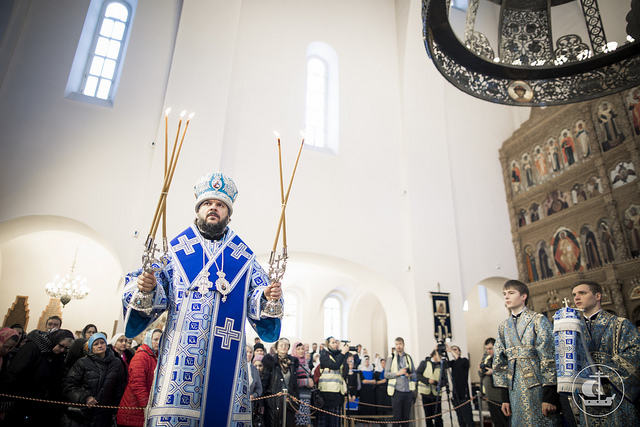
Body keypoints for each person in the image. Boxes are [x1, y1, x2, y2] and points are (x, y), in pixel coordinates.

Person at [121, 171, 282, 426]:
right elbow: (146, 291)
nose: (213, 208)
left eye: (220, 205)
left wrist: (265, 295)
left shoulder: (244, 257)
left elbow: (259, 300)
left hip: (227, 362)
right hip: (180, 364)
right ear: (198, 209)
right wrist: (147, 287)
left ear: (229, 213)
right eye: (208, 203)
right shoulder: (175, 251)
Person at [492, 279, 561, 426]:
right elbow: (499, 362)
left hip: (538, 386)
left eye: (511, 293)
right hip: (514, 389)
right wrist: (505, 397)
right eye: (504, 294)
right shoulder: (503, 327)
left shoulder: (538, 320)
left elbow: (549, 357)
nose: (506, 297)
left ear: (523, 296)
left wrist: (549, 396)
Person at [571, 280, 640, 425]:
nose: (576, 298)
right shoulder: (574, 331)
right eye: (574, 294)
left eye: (582, 293)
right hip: (586, 395)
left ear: (598, 296)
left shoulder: (620, 324)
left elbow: (635, 354)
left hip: (616, 393)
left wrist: (602, 374)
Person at [0, 328, 74, 426]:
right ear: (55, 339)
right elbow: (13, 374)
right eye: (61, 346)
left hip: (38, 406)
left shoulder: (56, 355)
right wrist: (6, 404)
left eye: (65, 348)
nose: (62, 350)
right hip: (20, 403)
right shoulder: (32, 348)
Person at [62, 332, 126, 427]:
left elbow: (119, 388)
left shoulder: (116, 363)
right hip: (83, 413)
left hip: (105, 414)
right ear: (91, 347)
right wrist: (85, 397)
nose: (100, 346)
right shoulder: (82, 362)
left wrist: (115, 409)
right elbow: (69, 385)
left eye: (102, 342)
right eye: (96, 344)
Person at [117, 328, 163, 427]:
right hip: (133, 410)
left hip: (142, 411)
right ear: (148, 339)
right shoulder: (141, 356)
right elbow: (137, 383)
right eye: (155, 339)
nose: (158, 342)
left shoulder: (154, 356)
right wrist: (145, 405)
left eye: (161, 339)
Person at [262, 337, 299, 426]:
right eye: (281, 345)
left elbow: (294, 384)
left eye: (286, 345)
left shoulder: (292, 363)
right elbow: (265, 382)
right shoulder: (271, 361)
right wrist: (265, 401)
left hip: (288, 401)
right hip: (274, 401)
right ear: (277, 347)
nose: (284, 347)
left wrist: (296, 398)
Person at [318, 336, 349, 427]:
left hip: (337, 392)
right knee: (326, 420)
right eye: (333, 343)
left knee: (335, 421)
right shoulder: (324, 354)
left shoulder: (338, 355)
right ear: (328, 344)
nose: (335, 344)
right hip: (326, 392)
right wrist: (343, 353)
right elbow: (334, 365)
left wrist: (344, 355)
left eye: (336, 342)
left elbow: (344, 371)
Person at [385, 337, 417, 427]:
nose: (398, 346)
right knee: (397, 418)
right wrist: (398, 373)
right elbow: (386, 374)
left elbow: (415, 374)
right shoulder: (391, 357)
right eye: (396, 344)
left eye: (400, 344)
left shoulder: (408, 357)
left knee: (406, 419)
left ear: (403, 345)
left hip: (408, 391)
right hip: (396, 391)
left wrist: (409, 375)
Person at [478, 338, 508, 427]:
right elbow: (482, 374)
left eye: (490, 348)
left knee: (504, 422)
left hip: (499, 396)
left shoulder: (502, 358)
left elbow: (506, 373)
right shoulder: (487, 358)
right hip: (489, 396)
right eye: (486, 349)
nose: (488, 351)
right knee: (496, 421)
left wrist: (493, 372)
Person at [446, 344, 474, 427]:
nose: (453, 351)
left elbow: (459, 361)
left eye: (455, 349)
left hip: (464, 396)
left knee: (468, 419)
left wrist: (451, 350)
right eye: (453, 350)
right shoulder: (453, 363)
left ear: (460, 352)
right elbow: (443, 364)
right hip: (456, 396)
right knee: (460, 420)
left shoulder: (464, 361)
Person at [416, 350, 442, 427]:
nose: (439, 358)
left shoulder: (441, 365)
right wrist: (428, 381)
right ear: (434, 355)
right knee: (428, 417)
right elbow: (418, 375)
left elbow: (445, 380)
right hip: (426, 394)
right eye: (438, 356)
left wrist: (437, 383)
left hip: (436, 394)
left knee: (438, 417)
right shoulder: (424, 363)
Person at [291, 341, 313, 426]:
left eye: (302, 349)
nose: (301, 351)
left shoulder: (306, 363)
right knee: (298, 423)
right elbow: (292, 381)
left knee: (305, 423)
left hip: (307, 397)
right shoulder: (293, 363)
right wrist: (306, 381)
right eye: (298, 349)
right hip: (298, 398)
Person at [358, 355, 377, 420]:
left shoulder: (372, 370)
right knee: (364, 406)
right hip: (364, 391)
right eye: (366, 362)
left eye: (368, 362)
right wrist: (370, 381)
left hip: (371, 391)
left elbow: (374, 381)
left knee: (371, 405)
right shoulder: (361, 370)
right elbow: (363, 381)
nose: (367, 363)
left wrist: (369, 381)